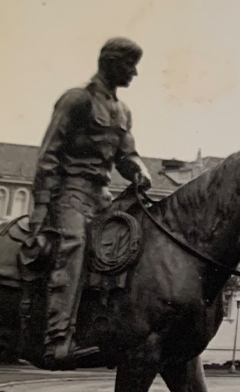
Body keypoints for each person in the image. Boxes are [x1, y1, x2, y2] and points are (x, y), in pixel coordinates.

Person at [25, 37, 153, 369]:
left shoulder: (123, 110)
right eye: (130, 65)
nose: (135, 73)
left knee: (133, 243)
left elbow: (128, 155)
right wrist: (41, 208)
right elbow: (48, 154)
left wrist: (139, 171)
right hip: (70, 191)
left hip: (102, 195)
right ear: (110, 63)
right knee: (74, 247)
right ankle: (58, 339)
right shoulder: (77, 100)